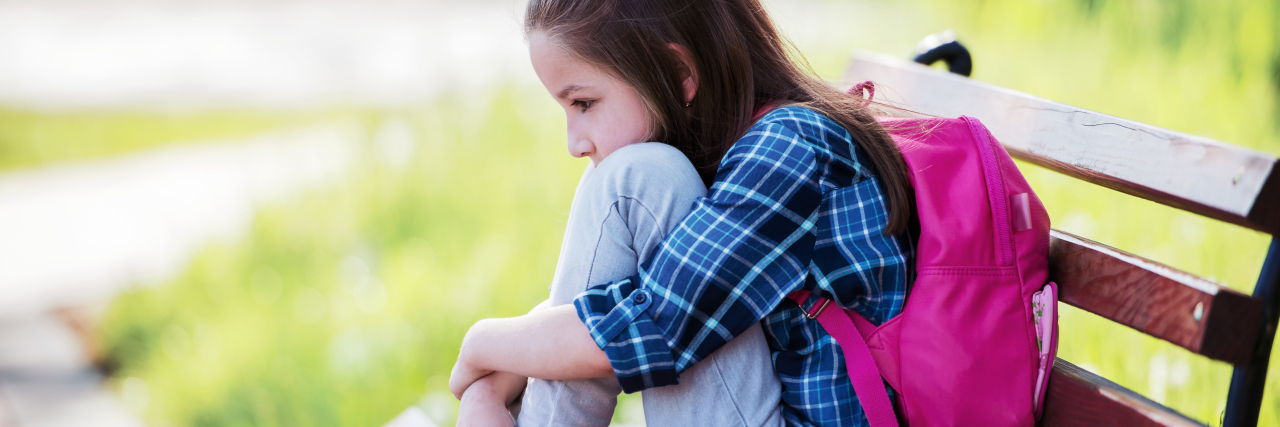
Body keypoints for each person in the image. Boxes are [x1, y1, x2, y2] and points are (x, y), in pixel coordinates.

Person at [451, 0, 917, 425]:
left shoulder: (787, 150)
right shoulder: (747, 143)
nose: (575, 142)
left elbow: (650, 325)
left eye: (584, 104)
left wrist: (481, 345)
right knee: (640, 175)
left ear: (678, 74)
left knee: (635, 176)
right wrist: (499, 373)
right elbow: (633, 301)